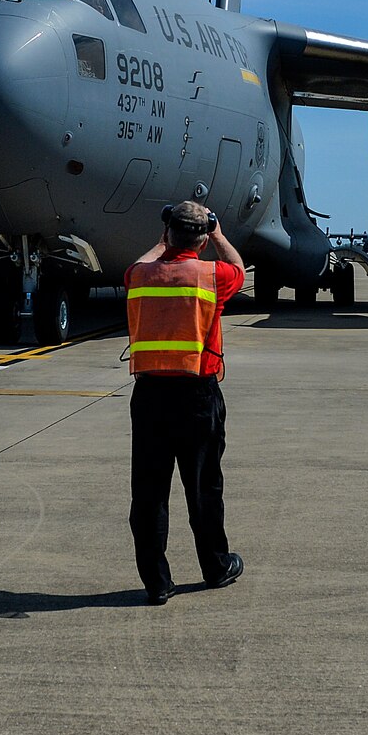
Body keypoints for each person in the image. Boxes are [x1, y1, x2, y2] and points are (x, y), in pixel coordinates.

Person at [125, 200, 246, 605]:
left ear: (168, 233)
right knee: (204, 488)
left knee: (149, 493)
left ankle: (157, 582)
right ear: (203, 235)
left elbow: (140, 265)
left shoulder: (140, 276)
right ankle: (215, 566)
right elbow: (240, 269)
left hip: (150, 398)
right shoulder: (213, 276)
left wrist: (163, 244)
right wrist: (219, 233)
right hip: (197, 395)